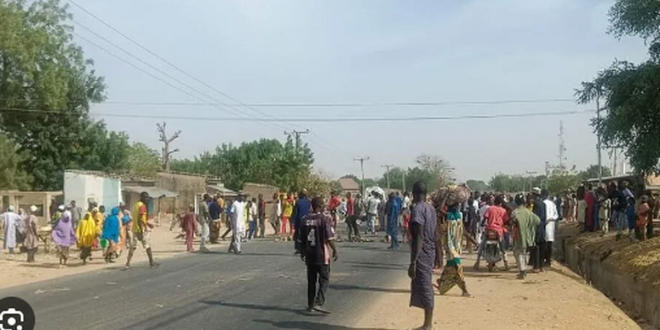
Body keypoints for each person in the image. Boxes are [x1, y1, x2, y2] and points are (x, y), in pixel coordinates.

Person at [408, 181, 439, 330]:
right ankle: (427, 322)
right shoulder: (431, 208)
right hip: (431, 251)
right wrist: (439, 254)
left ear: (414, 193)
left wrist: (413, 261)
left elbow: (418, 236)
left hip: (422, 253)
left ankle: (427, 324)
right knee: (425, 284)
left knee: (426, 286)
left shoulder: (418, 210)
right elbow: (436, 233)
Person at [300, 197, 338, 314]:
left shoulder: (304, 219)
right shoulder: (324, 219)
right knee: (324, 279)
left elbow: (301, 239)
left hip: (309, 255)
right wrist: (335, 250)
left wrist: (302, 252)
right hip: (321, 254)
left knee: (311, 281)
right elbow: (329, 238)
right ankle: (319, 302)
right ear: (319, 206)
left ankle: (310, 304)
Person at [474, 195, 509, 271]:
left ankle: (477, 262)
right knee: (503, 247)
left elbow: (485, 218)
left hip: (489, 229)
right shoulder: (503, 210)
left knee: (482, 245)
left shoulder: (490, 208)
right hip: (499, 231)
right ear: (500, 203)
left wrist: (483, 224)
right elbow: (506, 221)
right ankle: (506, 264)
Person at [511, 193, 541, 279]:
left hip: (518, 236)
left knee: (518, 252)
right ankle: (523, 269)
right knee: (523, 253)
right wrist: (530, 227)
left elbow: (512, 223)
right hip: (527, 236)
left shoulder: (515, 212)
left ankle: (522, 271)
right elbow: (538, 221)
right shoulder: (528, 212)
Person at [126, 192, 159, 269]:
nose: (147, 199)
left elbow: (137, 217)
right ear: (143, 198)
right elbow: (140, 219)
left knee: (132, 247)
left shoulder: (135, 205)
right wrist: (142, 229)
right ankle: (151, 262)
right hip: (141, 230)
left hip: (134, 228)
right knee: (147, 246)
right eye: (146, 198)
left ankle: (127, 263)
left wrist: (147, 224)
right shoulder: (142, 206)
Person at [529, 188, 547, 273]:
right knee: (542, 246)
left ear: (534, 195)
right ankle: (541, 266)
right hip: (543, 226)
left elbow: (534, 217)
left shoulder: (535, 204)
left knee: (536, 247)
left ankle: (536, 266)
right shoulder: (543, 204)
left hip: (536, 227)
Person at [542, 189, 558, 267]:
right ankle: (548, 260)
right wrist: (551, 219)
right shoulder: (552, 204)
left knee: (545, 243)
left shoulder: (542, 203)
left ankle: (546, 259)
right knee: (549, 243)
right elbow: (556, 215)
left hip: (546, 224)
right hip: (551, 224)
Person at [292, 190, 311, 254]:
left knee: (298, 235)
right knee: (307, 234)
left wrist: (293, 221)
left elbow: (295, 213)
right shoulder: (309, 202)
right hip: (307, 220)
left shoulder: (298, 202)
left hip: (299, 220)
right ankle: (306, 247)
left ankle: (299, 249)